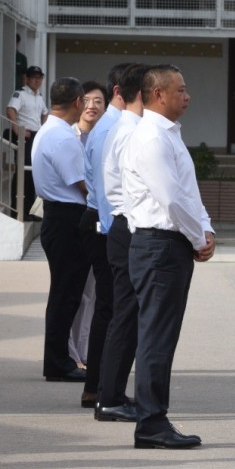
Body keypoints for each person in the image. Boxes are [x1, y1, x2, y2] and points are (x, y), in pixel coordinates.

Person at [122, 65, 215, 449]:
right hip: (159, 245)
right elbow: (171, 199)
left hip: (171, 244)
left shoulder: (168, 135)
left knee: (162, 335)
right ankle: (151, 423)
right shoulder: (152, 139)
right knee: (156, 337)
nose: (187, 95)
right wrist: (197, 238)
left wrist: (205, 230)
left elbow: (188, 193)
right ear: (159, 94)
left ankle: (154, 418)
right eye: (181, 89)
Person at [95, 63, 149, 422]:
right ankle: (109, 397)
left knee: (125, 316)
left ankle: (112, 394)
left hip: (120, 225)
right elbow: (136, 191)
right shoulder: (129, 131)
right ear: (144, 93)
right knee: (125, 317)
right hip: (127, 228)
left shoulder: (124, 127)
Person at [79, 64, 131, 413]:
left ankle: (98, 386)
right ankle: (100, 387)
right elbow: (110, 190)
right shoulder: (115, 127)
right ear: (121, 92)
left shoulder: (110, 126)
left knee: (108, 308)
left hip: (100, 220)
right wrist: (118, 234)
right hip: (104, 222)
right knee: (112, 309)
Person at [32, 77, 90, 383]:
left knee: (64, 294)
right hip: (67, 219)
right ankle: (57, 362)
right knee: (66, 296)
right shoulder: (64, 138)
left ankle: (58, 360)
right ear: (78, 103)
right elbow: (82, 185)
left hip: (57, 216)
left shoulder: (48, 130)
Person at [67, 81, 108, 407]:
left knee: (93, 295)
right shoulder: (71, 137)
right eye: (89, 101)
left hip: (93, 220)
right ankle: (75, 353)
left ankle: (84, 355)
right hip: (83, 220)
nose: (93, 106)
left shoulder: (101, 136)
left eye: (99, 101)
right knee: (78, 294)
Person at [7, 66, 48, 220]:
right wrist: (17, 128)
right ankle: (18, 210)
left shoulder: (40, 97)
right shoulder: (21, 94)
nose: (37, 80)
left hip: (36, 135)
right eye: (34, 77)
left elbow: (45, 113)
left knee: (34, 172)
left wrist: (43, 128)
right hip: (25, 136)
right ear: (27, 78)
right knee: (22, 173)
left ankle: (31, 211)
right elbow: (11, 110)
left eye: (39, 77)